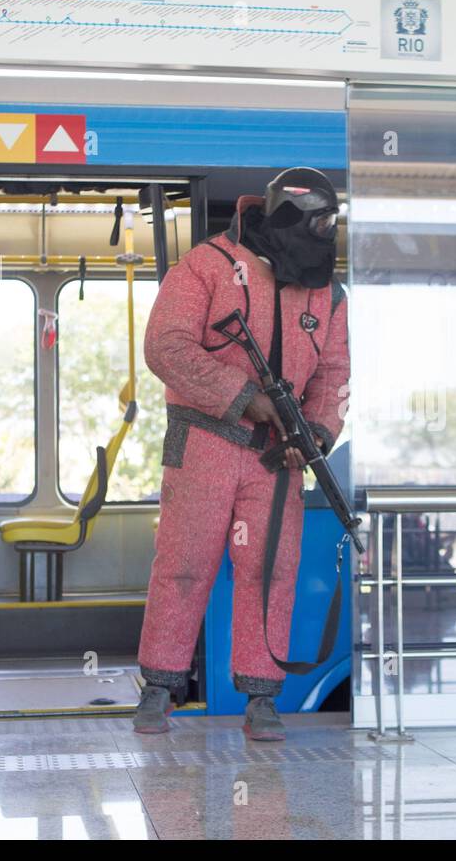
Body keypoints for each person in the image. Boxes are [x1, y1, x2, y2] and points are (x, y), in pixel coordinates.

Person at [134, 168, 350, 741]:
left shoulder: (328, 290)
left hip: (281, 453)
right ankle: (159, 687)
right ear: (286, 218)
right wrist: (243, 397)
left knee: (273, 568)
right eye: (319, 223)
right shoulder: (204, 266)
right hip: (205, 436)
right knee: (183, 562)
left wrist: (319, 433)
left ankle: (261, 697)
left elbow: (332, 373)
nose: (327, 235)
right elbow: (164, 346)